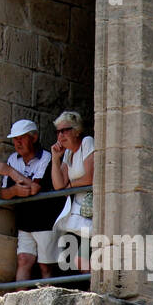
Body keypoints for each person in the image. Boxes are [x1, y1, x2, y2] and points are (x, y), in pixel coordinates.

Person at [0, 119, 57, 281]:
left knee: (45, 265)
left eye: (21, 137)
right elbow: (3, 194)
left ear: (34, 138)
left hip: (45, 221)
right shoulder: (13, 159)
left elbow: (35, 188)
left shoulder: (46, 157)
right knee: (23, 260)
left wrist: (11, 172)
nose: (17, 142)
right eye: (15, 139)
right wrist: (15, 190)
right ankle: (18, 302)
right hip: (24, 221)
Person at [50, 110, 94, 272]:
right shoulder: (68, 153)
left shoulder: (87, 143)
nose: (60, 135)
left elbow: (91, 178)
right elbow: (59, 186)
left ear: (76, 131)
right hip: (77, 214)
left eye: (65, 130)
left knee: (83, 260)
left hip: (91, 212)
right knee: (78, 260)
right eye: (58, 132)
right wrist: (55, 159)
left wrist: (71, 186)